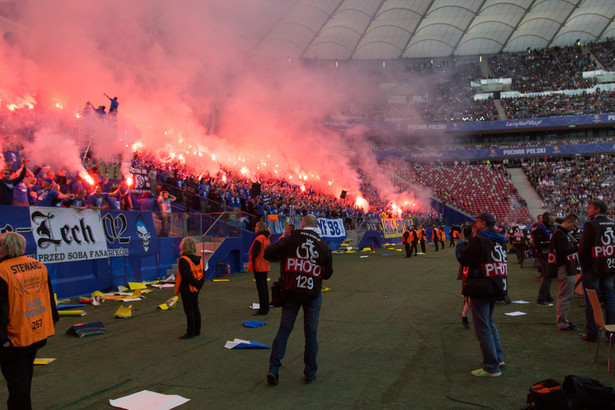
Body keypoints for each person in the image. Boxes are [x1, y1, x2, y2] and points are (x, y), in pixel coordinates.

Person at [264, 214, 333, 385]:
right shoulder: (323, 245)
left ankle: (273, 369)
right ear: (316, 226)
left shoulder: (291, 238)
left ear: (302, 224)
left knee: (284, 330)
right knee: (311, 334)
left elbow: (268, 253)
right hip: (312, 294)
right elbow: (328, 274)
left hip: (291, 291)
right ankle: (310, 373)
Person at [0, 232, 59, 409]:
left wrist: (2, 338)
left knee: (17, 383)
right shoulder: (38, 266)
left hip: (14, 337)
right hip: (36, 331)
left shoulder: (3, 271)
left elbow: (1, 309)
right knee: (23, 378)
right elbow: (49, 298)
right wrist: (52, 319)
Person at [456, 212, 507, 377]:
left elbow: (464, 257)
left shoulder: (481, 239)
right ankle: (498, 358)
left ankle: (491, 366)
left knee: (483, 326)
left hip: (482, 285)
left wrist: (461, 243)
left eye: (477, 222)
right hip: (496, 284)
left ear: (483, 223)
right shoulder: (499, 239)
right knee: (490, 323)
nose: (475, 224)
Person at [579, 200, 615, 342]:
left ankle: (592, 333)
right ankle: (612, 333)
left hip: (592, 268)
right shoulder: (613, 224)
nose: (588, 210)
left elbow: (583, 247)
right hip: (609, 266)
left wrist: (582, 264)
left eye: (590, 208)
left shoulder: (590, 224)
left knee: (592, 301)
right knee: (610, 299)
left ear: (597, 209)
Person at [548, 214, 580, 331]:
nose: (575, 228)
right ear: (568, 222)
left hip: (566, 267)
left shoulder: (562, 233)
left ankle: (563, 321)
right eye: (574, 225)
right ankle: (562, 322)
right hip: (564, 267)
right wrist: (577, 246)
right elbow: (564, 251)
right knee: (564, 296)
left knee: (566, 295)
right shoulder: (560, 234)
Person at [174, 237, 205, 339]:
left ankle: (190, 331)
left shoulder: (184, 260)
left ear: (183, 247)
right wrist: (198, 284)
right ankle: (197, 330)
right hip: (196, 287)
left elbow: (187, 276)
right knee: (195, 308)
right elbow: (202, 273)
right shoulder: (199, 260)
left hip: (187, 288)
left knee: (189, 310)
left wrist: (195, 283)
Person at [534, 212, 556, 306]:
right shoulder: (539, 229)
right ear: (546, 219)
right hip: (542, 254)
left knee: (549, 276)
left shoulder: (550, 227)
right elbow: (538, 243)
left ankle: (547, 296)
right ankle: (541, 299)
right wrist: (550, 243)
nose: (553, 222)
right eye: (551, 220)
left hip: (549, 254)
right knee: (547, 276)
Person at [249, 221, 271, 316]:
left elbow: (254, 252)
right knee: (264, 288)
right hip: (265, 265)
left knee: (261, 288)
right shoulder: (267, 239)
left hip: (259, 266)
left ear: (259, 228)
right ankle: (265, 307)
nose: (255, 228)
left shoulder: (259, 238)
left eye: (256, 226)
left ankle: (263, 309)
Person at [456, 224, 474, 329]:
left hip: (474, 272)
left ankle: (465, 314)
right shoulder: (464, 245)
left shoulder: (474, 242)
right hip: (470, 273)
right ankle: (464, 314)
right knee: (470, 299)